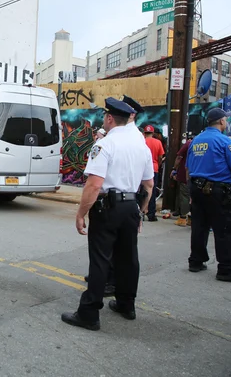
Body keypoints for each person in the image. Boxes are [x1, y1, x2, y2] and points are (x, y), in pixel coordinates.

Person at [61, 98, 154, 331]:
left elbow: (93, 185)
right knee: (128, 258)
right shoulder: (141, 145)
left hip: (108, 207)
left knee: (101, 259)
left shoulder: (104, 145)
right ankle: (126, 304)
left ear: (110, 118)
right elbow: (149, 185)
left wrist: (81, 213)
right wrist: (140, 212)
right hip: (131, 206)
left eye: (105, 116)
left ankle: (89, 313)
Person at [186, 108, 231, 283]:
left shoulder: (196, 141)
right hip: (219, 191)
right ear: (221, 122)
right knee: (226, 229)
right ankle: (226, 269)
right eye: (225, 120)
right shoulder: (225, 141)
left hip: (197, 188)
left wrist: (191, 189)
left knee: (199, 226)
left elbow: (188, 169)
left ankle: (196, 261)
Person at [144, 125, 165, 221]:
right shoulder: (158, 142)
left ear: (144, 133)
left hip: (142, 168)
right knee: (151, 191)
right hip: (154, 168)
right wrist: (158, 164)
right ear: (153, 133)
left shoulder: (142, 141)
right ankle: (151, 213)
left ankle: (141, 211)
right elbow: (160, 156)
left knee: (140, 190)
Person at [171, 135, 193, 226]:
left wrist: (174, 169)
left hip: (185, 174)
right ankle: (191, 219)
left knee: (184, 196)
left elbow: (179, 157)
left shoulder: (188, 144)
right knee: (193, 197)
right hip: (197, 174)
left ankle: (183, 218)